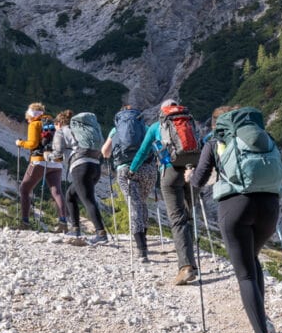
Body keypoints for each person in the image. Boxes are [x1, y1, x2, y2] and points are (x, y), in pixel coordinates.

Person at [190, 105, 282, 333]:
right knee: (253, 260)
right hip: (270, 206)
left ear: (217, 126)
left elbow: (198, 181)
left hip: (235, 207)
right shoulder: (263, 138)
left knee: (244, 273)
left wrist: (190, 180)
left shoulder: (215, 141)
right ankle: (262, 319)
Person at [147, 99, 199, 285]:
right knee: (188, 216)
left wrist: (132, 170)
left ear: (163, 111)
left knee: (177, 220)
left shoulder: (157, 126)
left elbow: (144, 150)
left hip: (170, 173)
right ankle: (192, 262)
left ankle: (185, 267)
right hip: (192, 171)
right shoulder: (189, 121)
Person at [102, 104, 157, 263]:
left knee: (134, 205)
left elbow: (105, 152)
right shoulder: (144, 127)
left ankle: (141, 250)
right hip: (147, 169)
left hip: (125, 169)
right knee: (141, 203)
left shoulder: (116, 129)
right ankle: (143, 240)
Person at [14, 102, 69, 230]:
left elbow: (32, 144)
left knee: (24, 189)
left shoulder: (34, 124)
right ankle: (63, 222)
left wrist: (20, 143)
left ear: (30, 114)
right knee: (57, 191)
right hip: (56, 162)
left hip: (39, 160)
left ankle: (25, 223)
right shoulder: (54, 124)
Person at [62, 111, 108, 246]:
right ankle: (75, 229)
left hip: (80, 167)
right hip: (95, 166)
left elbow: (59, 151)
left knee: (88, 200)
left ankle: (101, 234)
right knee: (70, 195)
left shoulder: (68, 132)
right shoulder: (89, 131)